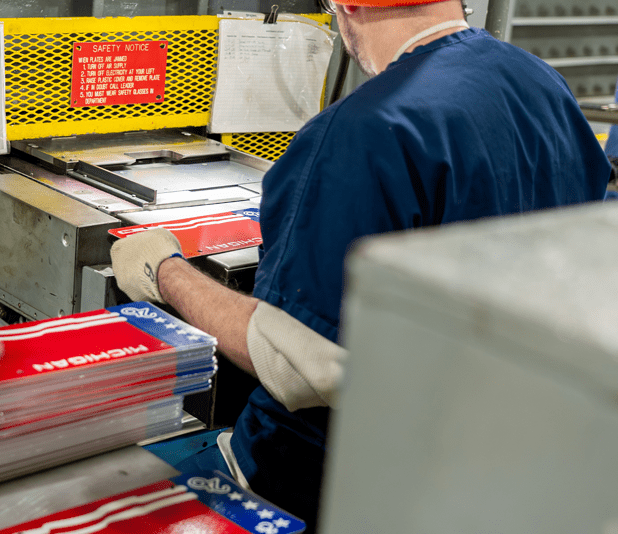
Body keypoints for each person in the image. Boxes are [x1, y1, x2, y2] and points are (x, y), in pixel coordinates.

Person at [110, 0, 611, 531]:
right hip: (486, 462)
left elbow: (302, 365)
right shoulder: (541, 84)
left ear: (346, 7)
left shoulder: (363, 132)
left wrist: (164, 270)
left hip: (325, 485)